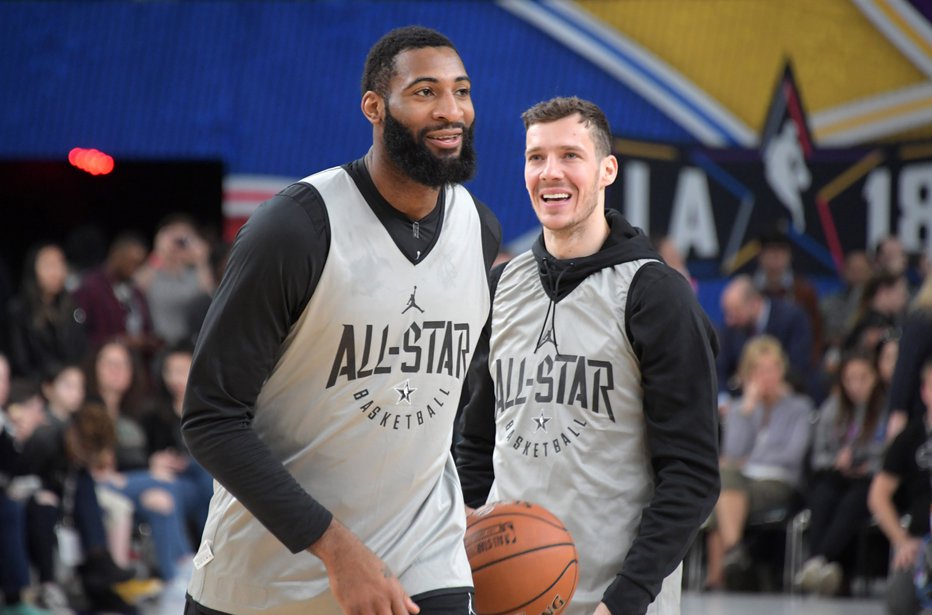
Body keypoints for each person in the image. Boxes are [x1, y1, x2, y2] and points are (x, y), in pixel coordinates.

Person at [181, 26, 500, 615]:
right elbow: (210, 417)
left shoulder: (479, 230)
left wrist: (460, 496)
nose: (451, 111)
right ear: (374, 107)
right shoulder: (294, 228)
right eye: (425, 92)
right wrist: (335, 549)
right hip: (269, 575)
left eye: (461, 91)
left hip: (422, 558)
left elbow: (445, 392)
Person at [456, 96, 719, 615]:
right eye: (536, 158)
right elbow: (477, 441)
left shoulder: (655, 294)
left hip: (615, 600)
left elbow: (691, 475)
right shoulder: (500, 286)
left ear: (606, 170)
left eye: (570, 155)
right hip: (509, 594)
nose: (550, 173)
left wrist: (624, 601)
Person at [703, 336, 813, 590]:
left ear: (782, 370)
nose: (766, 376)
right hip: (742, 482)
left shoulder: (799, 407)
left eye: (772, 369)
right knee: (726, 480)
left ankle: (720, 573)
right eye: (759, 370)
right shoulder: (741, 408)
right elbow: (732, 452)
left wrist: (750, 459)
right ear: (747, 374)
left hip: (778, 481)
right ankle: (734, 556)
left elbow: (792, 456)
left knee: (723, 488)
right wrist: (748, 410)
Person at [795, 349, 887, 595]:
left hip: (871, 478)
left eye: (862, 378)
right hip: (837, 474)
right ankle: (823, 564)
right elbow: (818, 455)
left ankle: (819, 559)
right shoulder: (832, 407)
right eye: (849, 379)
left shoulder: (886, 409)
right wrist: (836, 461)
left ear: (874, 377)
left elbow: (892, 453)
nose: (856, 386)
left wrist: (870, 465)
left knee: (855, 500)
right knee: (823, 494)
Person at [868, 359, 932, 615]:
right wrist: (901, 540)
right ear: (924, 391)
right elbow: (878, 495)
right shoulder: (910, 437)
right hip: (922, 540)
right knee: (899, 600)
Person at [717, 274, 812, 405]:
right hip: (743, 401)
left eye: (735, 311)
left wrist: (768, 384)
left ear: (754, 303)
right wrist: (723, 398)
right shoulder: (732, 328)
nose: (729, 320)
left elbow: (799, 366)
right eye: (727, 312)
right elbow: (720, 368)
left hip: (786, 397)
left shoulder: (792, 318)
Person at [7, 242, 88, 379]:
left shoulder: (72, 308)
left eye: (60, 264)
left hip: (71, 384)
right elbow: (21, 361)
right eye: (49, 265)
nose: (56, 271)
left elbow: (81, 349)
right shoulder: (19, 311)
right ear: (33, 268)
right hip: (31, 386)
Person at [134, 214, 215, 347]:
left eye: (183, 240)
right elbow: (134, 289)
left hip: (190, 346)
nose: (178, 245)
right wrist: (159, 254)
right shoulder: (153, 274)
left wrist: (201, 260)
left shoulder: (195, 275)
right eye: (174, 239)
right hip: (159, 346)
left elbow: (209, 296)